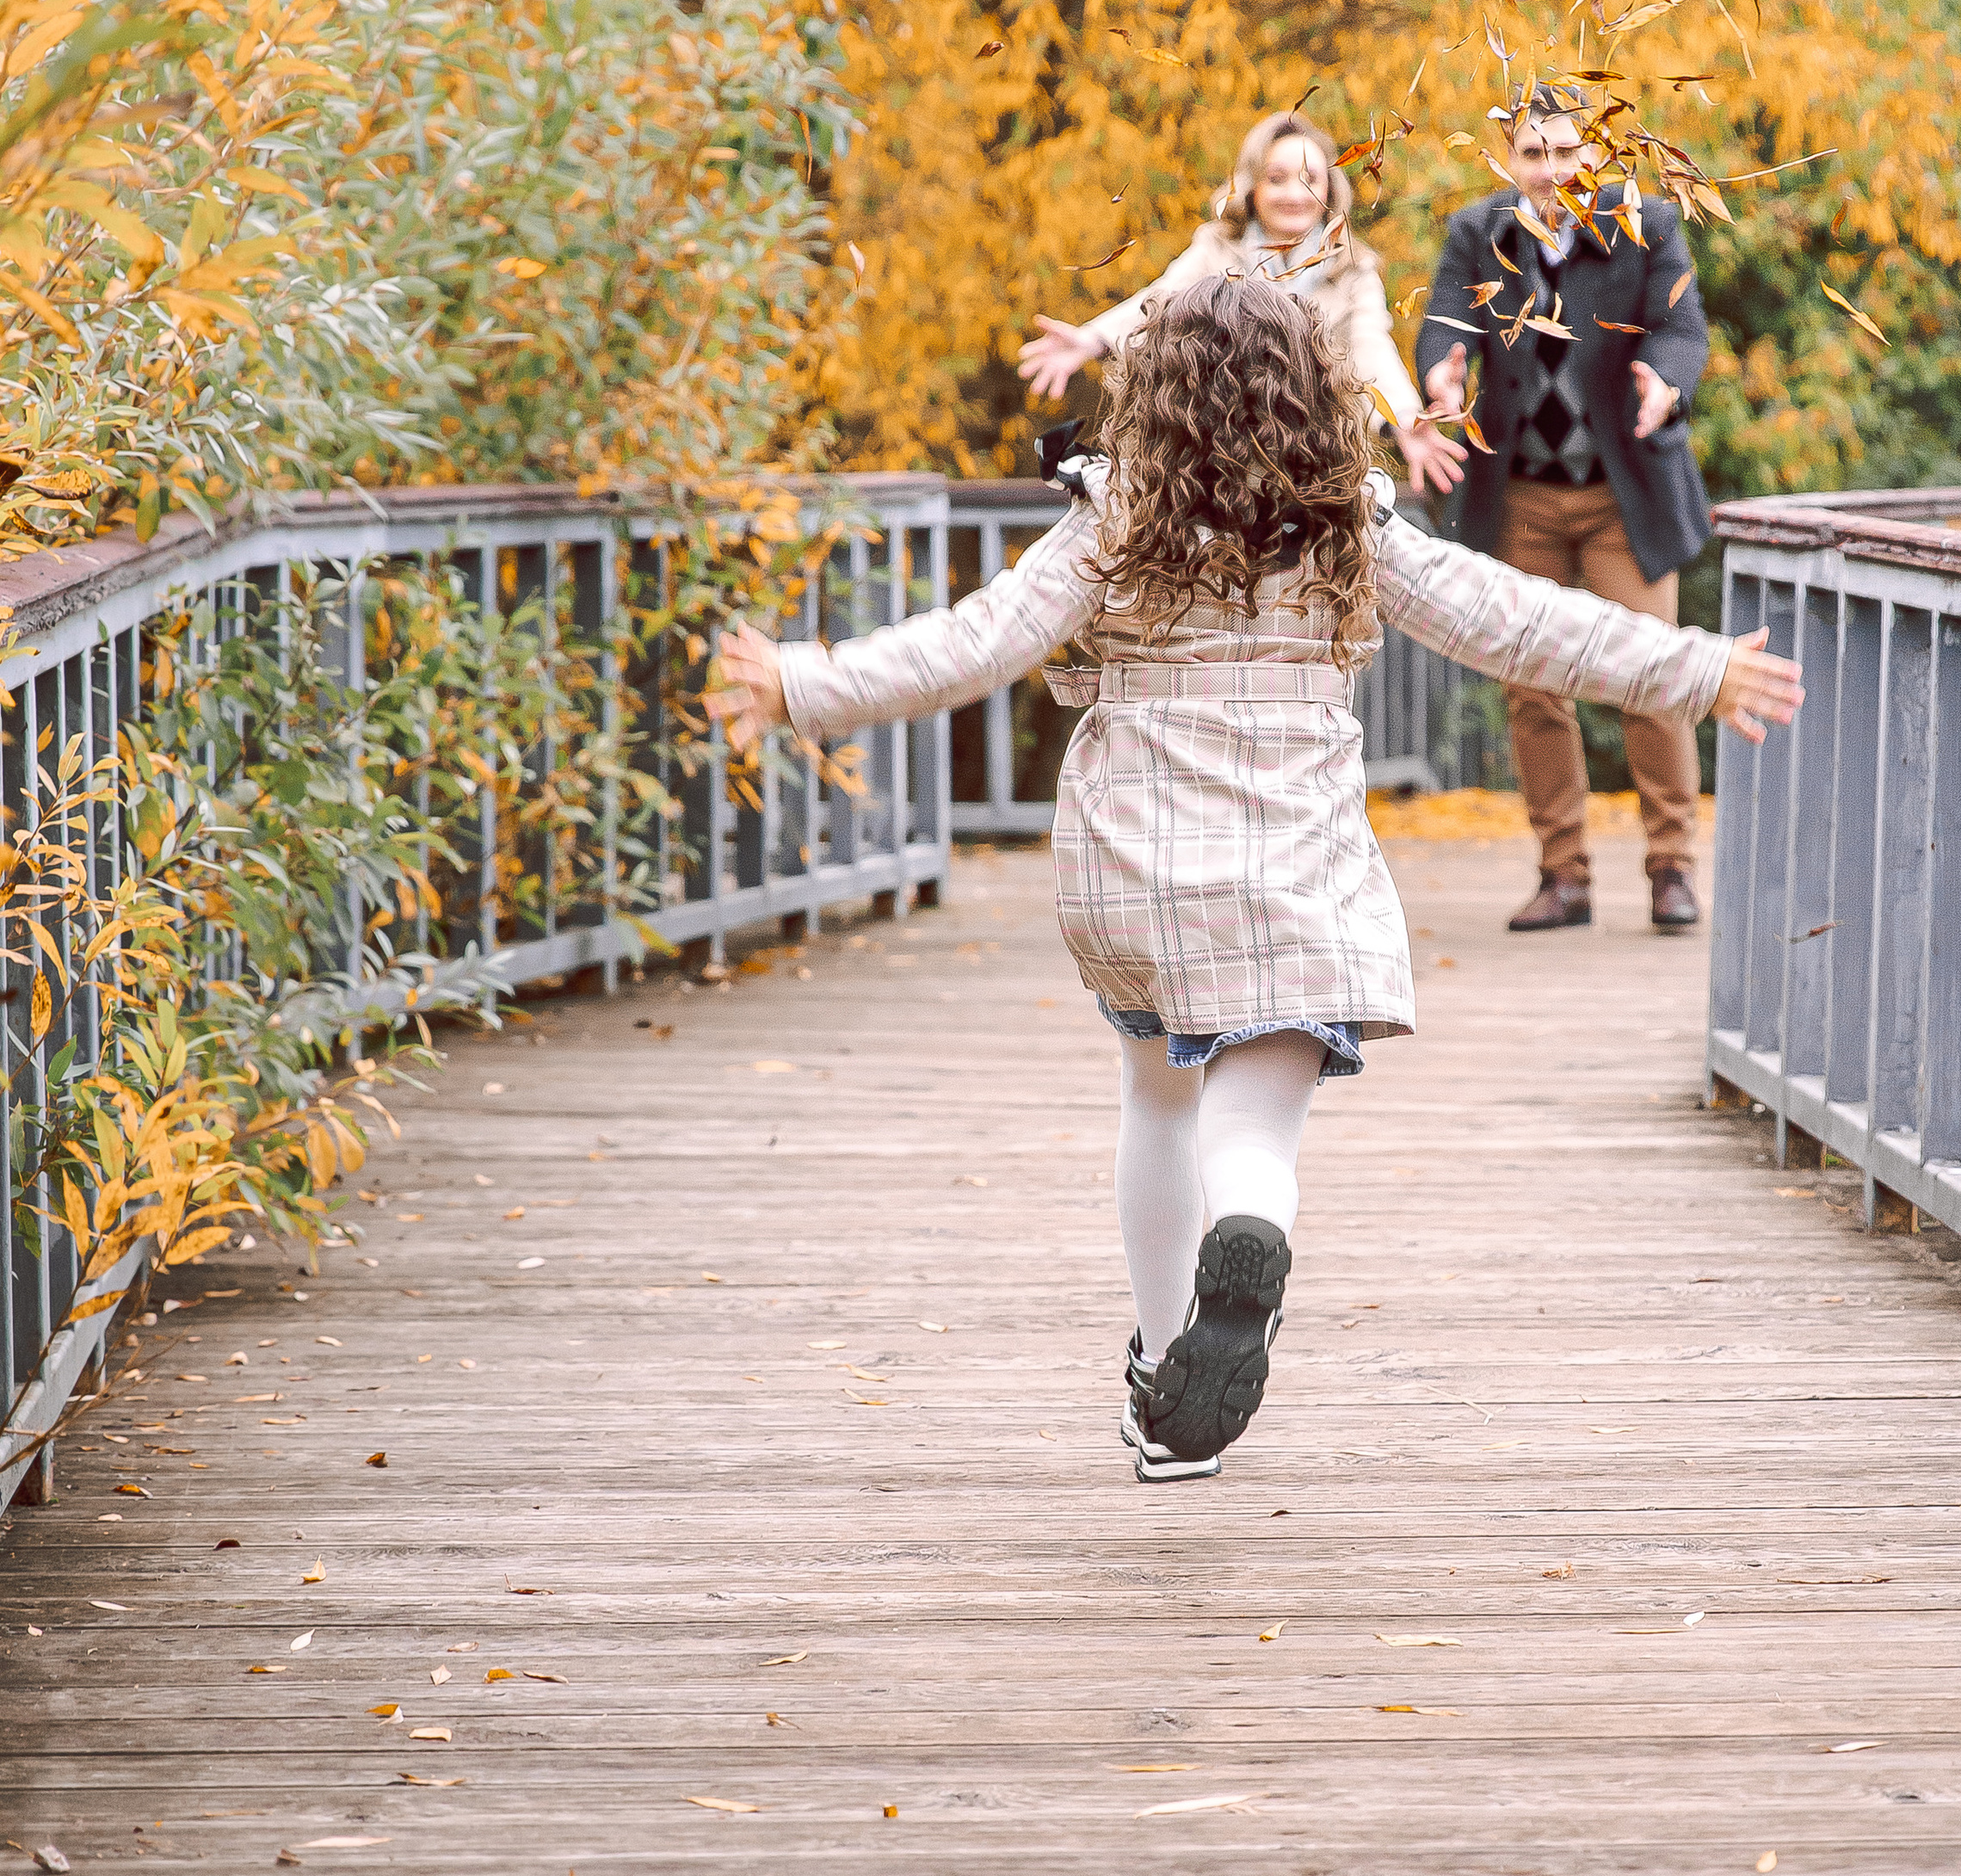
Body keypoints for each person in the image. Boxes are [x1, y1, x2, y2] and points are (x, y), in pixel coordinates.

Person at [712, 278, 1800, 1486]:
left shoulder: (1111, 519)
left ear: (1154, 392)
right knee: (1255, 1118)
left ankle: (1164, 1365)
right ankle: (1252, 1237)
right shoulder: (1348, 524)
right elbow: (1519, 621)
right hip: (1292, 862)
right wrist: (1694, 669)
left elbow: (972, 641)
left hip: (1136, 861)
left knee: (1155, 1092)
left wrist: (804, 682)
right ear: (1313, 385)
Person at [1415, 85, 1716, 936]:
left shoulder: (1645, 223)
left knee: (1651, 675)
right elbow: (1444, 322)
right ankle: (1563, 873)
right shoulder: (1479, 233)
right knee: (1531, 686)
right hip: (1523, 497)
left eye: (1564, 153)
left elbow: (1681, 326)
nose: (1550, 173)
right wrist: (1442, 371)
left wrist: (1664, 378)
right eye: (1532, 154)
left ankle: (1670, 869)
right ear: (1507, 161)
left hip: (1621, 493)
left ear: (1596, 155)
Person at [1018, 110, 1465, 505]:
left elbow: (1371, 348)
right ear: (1251, 188)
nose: (1295, 192)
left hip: (1309, 465)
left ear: (1331, 189)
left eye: (1311, 178)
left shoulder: (1350, 269)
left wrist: (1404, 419)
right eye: (1277, 178)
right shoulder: (1217, 249)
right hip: (1213, 462)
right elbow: (1160, 303)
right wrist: (1093, 339)